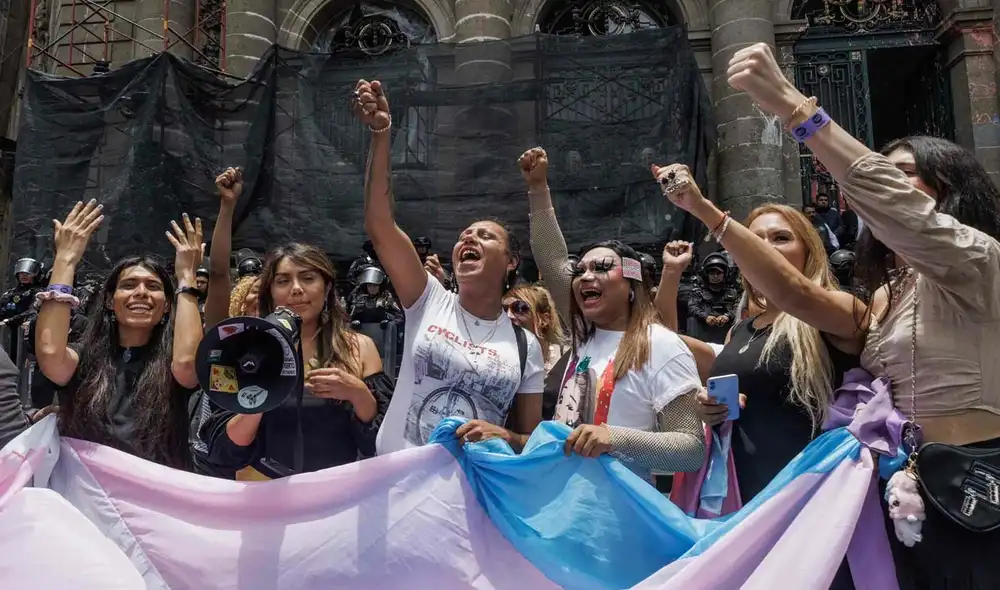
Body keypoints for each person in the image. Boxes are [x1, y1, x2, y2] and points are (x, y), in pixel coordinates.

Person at [725, 42, 1000, 587]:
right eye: (881, 172)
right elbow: (794, 293)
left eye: (902, 174)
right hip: (896, 491)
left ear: (947, 190)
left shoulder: (978, 261)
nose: (881, 184)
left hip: (974, 487)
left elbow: (892, 204)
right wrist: (710, 217)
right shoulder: (883, 294)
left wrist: (792, 106)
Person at [353, 78, 545, 455]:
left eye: (485, 236)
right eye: (463, 235)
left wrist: (506, 436)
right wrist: (381, 135)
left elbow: (531, 441)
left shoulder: (527, 347)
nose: (469, 239)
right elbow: (380, 225)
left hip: (471, 484)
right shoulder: (428, 300)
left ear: (511, 262)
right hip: (399, 480)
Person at [520, 146, 705, 479]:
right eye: (581, 270)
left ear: (631, 285)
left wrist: (613, 438)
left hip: (619, 506)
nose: (586, 276)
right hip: (564, 498)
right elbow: (552, 260)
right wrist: (537, 187)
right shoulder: (584, 333)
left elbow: (690, 449)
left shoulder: (661, 345)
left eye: (603, 267)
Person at [198, 243, 391, 479]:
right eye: (283, 281)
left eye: (308, 278)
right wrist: (258, 400)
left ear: (327, 287)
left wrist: (358, 393)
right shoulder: (240, 349)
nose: (297, 289)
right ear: (270, 291)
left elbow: (381, 443)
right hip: (263, 490)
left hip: (337, 490)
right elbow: (223, 452)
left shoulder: (360, 347)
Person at [34, 201, 204, 468]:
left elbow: (187, 365)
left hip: (159, 490)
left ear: (167, 305)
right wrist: (65, 260)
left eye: (153, 286)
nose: (141, 293)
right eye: (128, 285)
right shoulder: (82, 359)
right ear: (109, 301)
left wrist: (186, 276)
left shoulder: (175, 364)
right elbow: (49, 353)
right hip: (86, 489)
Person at [687, 252, 740, 343]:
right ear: (706, 274)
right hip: (703, 332)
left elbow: (738, 307)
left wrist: (727, 316)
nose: (715, 276)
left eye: (719, 273)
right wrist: (705, 317)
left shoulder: (733, 293)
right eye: (712, 273)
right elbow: (693, 307)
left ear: (724, 274)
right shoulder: (697, 293)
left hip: (727, 334)